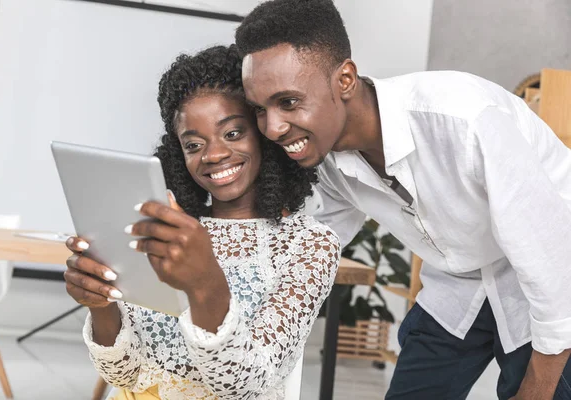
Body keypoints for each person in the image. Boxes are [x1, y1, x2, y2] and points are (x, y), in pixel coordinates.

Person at [234, 0, 571, 399]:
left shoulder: (466, 121)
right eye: (260, 109)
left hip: (552, 280)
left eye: (288, 102)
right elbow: (319, 242)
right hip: (460, 281)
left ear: (344, 80)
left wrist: (538, 389)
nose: (273, 128)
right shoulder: (326, 161)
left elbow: (554, 272)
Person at [63, 45, 340, 400]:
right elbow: (123, 373)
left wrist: (206, 280)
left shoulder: (309, 245)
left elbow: (244, 384)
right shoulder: (165, 229)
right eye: (193, 144)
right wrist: (102, 306)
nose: (213, 154)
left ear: (264, 136)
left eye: (233, 133)